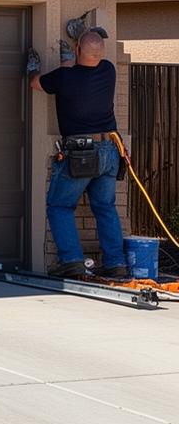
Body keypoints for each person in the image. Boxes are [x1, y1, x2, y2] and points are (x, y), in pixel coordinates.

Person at [30, 28, 125, 276]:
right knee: (105, 207)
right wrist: (73, 50)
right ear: (101, 53)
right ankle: (116, 264)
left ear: (77, 50)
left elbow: (36, 83)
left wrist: (32, 67)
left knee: (59, 206)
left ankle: (72, 261)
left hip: (81, 152)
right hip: (109, 150)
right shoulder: (108, 71)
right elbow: (78, 67)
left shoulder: (63, 78)